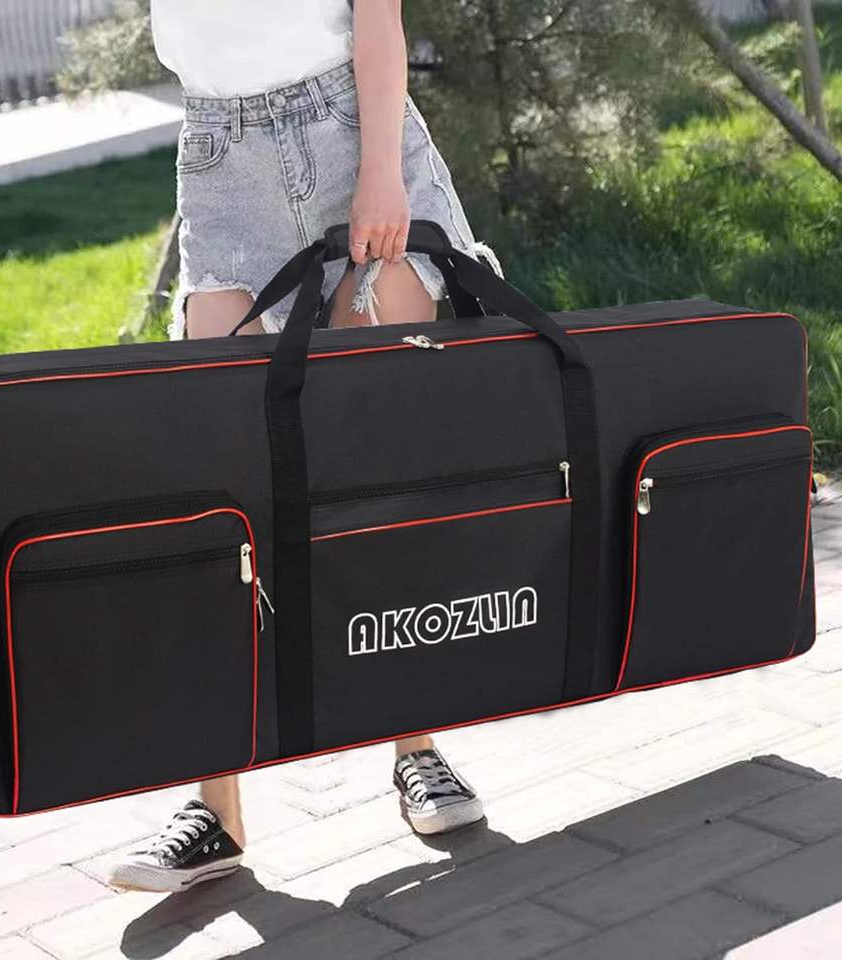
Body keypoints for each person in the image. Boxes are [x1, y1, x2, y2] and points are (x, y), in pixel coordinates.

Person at [109, 0, 499, 894]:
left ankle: (417, 745)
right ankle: (215, 807)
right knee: (221, 494)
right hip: (221, 157)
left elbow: (377, 17)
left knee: (373, 470)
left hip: (350, 129)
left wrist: (380, 173)